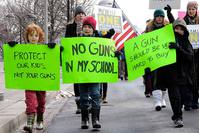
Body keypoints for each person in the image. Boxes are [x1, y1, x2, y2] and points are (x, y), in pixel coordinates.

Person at [8, 23, 46, 132]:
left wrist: (53, 48)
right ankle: (29, 124)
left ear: (39, 37)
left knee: (41, 101)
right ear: (27, 37)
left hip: (42, 81)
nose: (33, 38)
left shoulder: (43, 50)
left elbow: (52, 59)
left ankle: (39, 120)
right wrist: (12, 48)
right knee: (31, 102)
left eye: (36, 35)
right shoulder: (22, 50)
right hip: (29, 82)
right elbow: (13, 59)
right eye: (31, 35)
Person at [79, 16, 102, 129]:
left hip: (94, 74)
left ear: (93, 29)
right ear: (82, 28)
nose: (87, 29)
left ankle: (95, 119)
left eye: (89, 27)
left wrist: (115, 54)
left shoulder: (99, 42)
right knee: (83, 97)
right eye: (85, 27)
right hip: (82, 75)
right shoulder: (77, 41)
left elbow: (106, 54)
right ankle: (84, 119)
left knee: (95, 95)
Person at [145, 9, 169, 110]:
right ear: (154, 17)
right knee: (155, 79)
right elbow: (145, 43)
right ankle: (157, 101)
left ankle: (162, 98)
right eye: (157, 16)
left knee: (164, 79)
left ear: (163, 18)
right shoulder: (149, 28)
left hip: (165, 58)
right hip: (154, 59)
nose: (159, 18)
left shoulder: (167, 28)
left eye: (161, 16)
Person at [65, 6, 86, 114]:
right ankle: (79, 104)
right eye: (79, 13)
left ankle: (86, 103)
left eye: (83, 13)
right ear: (75, 15)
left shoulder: (88, 26)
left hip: (86, 58)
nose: (81, 15)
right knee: (76, 80)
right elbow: (67, 41)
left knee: (86, 80)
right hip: (75, 57)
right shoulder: (69, 27)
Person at [184, 1, 199, 109]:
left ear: (196, 10)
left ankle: (195, 100)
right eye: (189, 9)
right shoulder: (184, 21)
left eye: (193, 9)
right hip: (187, 53)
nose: (191, 11)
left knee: (197, 78)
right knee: (187, 78)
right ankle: (187, 102)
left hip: (198, 54)